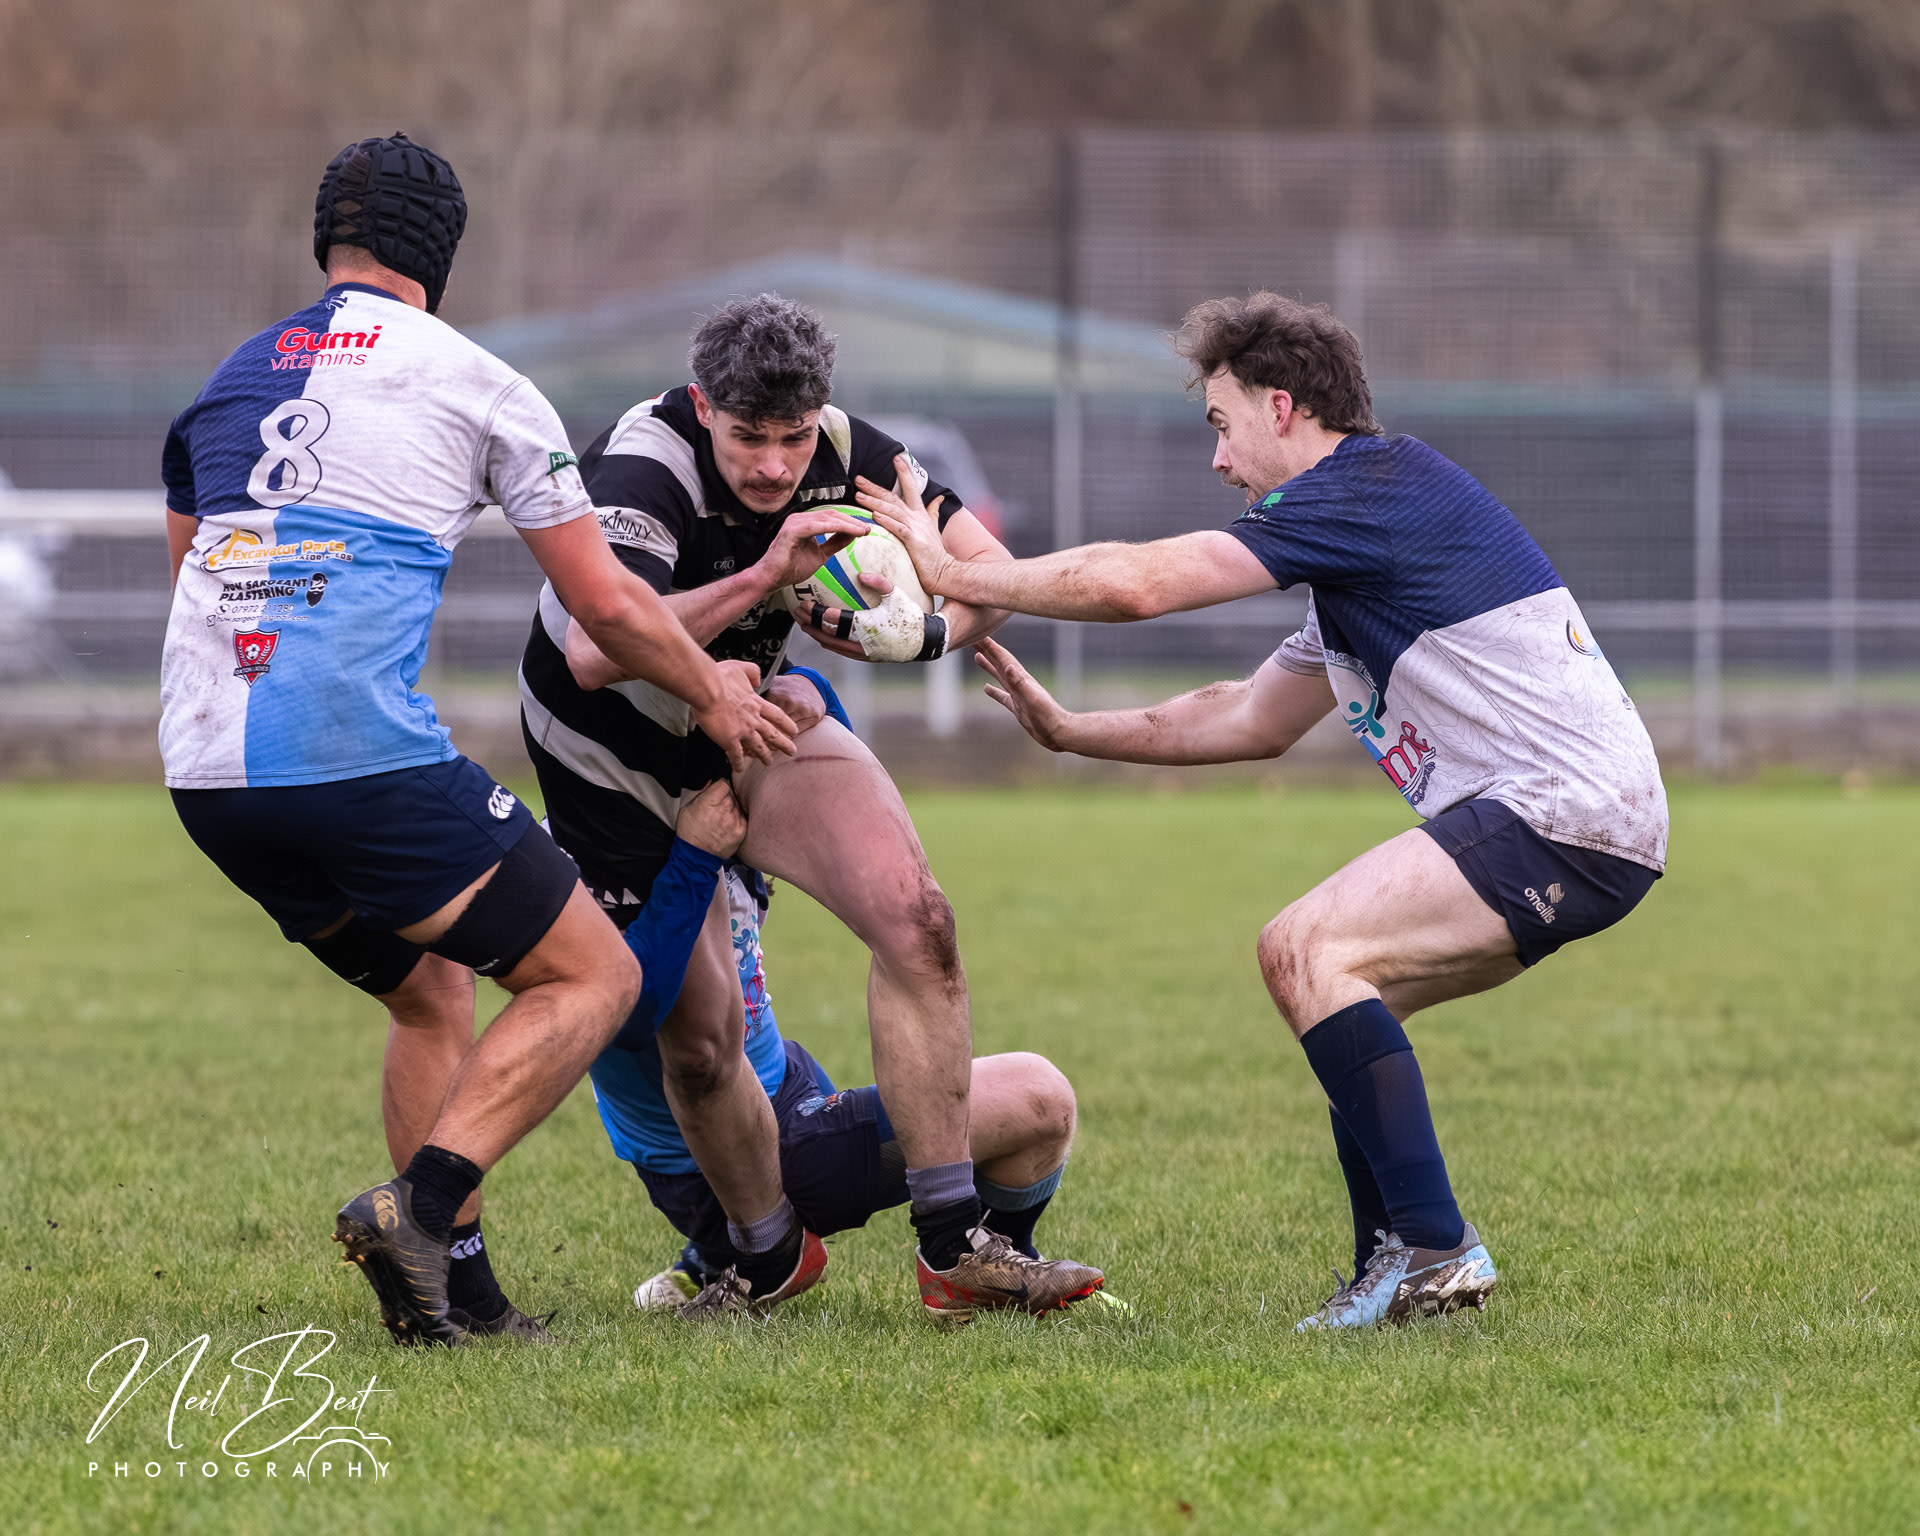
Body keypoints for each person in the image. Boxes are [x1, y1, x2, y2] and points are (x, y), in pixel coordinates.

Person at [857, 291, 1669, 1329]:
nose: (1217, 458)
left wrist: (951, 569)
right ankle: (1396, 1266)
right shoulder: (1360, 543)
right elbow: (1246, 715)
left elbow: (1143, 584)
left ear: (1282, 407)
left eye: (1221, 422)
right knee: (1350, 991)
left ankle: (1435, 1249)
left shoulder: (1365, 489)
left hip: (1564, 811)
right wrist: (1069, 730)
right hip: (1587, 820)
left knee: (1304, 948)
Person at [159, 133, 796, 1348]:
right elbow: (607, 608)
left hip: (204, 770)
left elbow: (193, 569)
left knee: (429, 993)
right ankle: (419, 1207)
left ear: (326, 241)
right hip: (352, 756)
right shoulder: (480, 381)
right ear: (442, 256)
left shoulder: (230, 379)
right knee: (594, 976)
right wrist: (714, 698)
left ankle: (457, 1297)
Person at [519, 293, 1106, 1319]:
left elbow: (997, 577)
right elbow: (594, 647)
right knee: (697, 1042)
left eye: (793, 437)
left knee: (917, 918)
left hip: (748, 723)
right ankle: (760, 1255)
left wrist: (919, 629)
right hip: (614, 766)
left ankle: (954, 1244)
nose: (774, 465)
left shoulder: (846, 451)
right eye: (749, 438)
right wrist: (765, 577)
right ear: (704, 406)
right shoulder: (644, 466)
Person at [580, 694, 1100, 1325]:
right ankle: (984, 1270)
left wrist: (811, 691)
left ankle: (715, 1258)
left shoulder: (673, 780)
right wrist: (695, 859)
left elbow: (832, 781)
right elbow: (626, 1015)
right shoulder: (591, 854)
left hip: (777, 1090)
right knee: (1042, 1098)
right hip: (724, 1158)